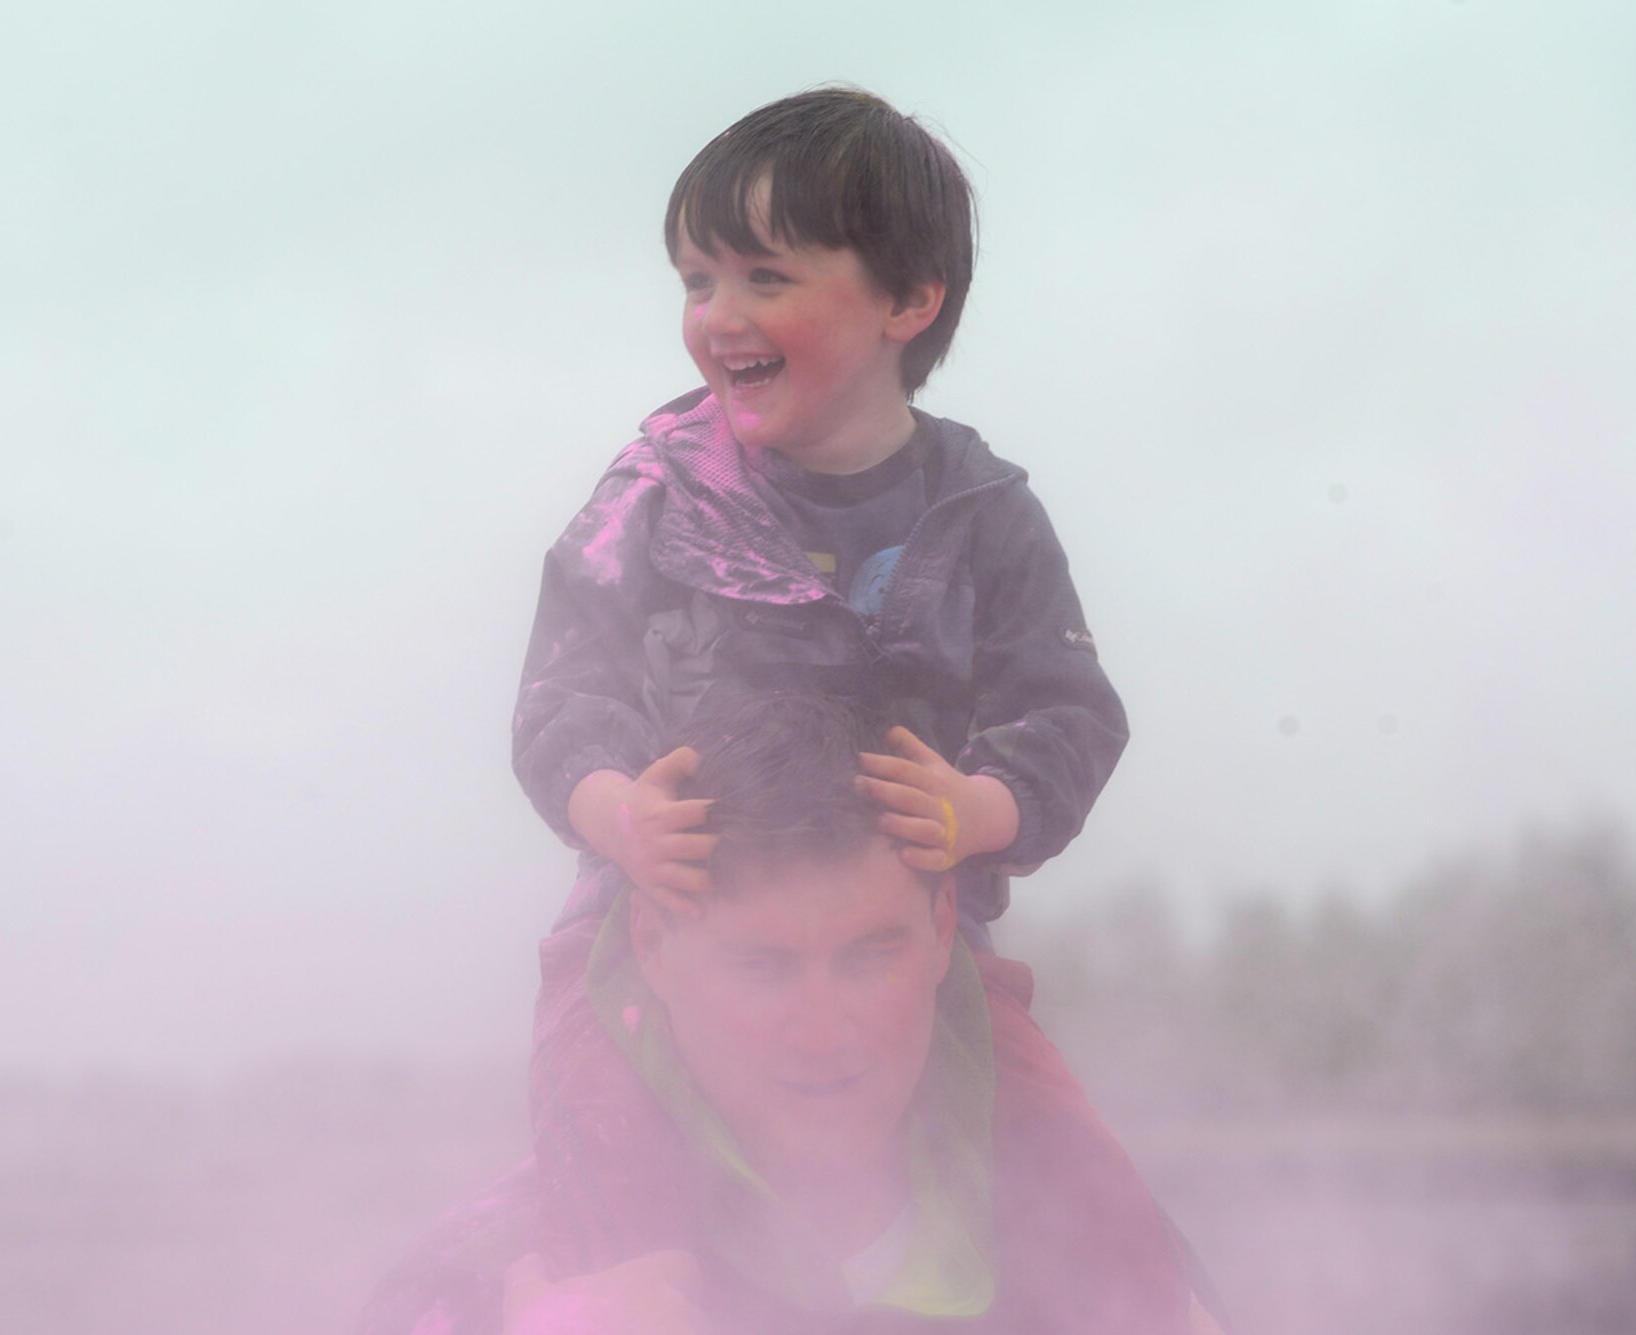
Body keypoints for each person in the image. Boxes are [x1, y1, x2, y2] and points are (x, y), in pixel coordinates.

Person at [512, 85, 1134, 1283]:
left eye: (764, 277)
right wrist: (616, 814)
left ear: (908, 299)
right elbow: (560, 693)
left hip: (907, 943)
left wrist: (976, 813)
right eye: (698, 281)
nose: (716, 316)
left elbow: (1069, 712)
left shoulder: (980, 512)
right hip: (648, 935)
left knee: (1091, 1192)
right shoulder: (655, 492)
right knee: (609, 1205)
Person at [360, 695, 1227, 1333]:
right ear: (653, 949)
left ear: (939, 932)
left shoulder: (1115, 1260)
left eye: (869, 954)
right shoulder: (500, 1283)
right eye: (761, 965)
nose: (822, 1030)